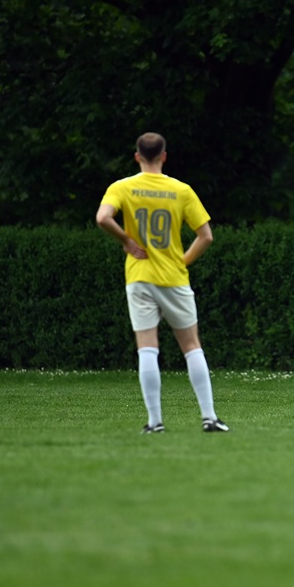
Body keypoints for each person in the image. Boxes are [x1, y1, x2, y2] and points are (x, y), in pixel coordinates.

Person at [95, 132, 229, 434]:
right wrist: (182, 261)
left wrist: (126, 240)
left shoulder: (122, 187)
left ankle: (155, 422)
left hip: (139, 276)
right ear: (164, 156)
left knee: (147, 348)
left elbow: (103, 218)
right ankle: (209, 418)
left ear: (137, 156)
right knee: (191, 346)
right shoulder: (180, 190)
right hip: (173, 278)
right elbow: (206, 236)